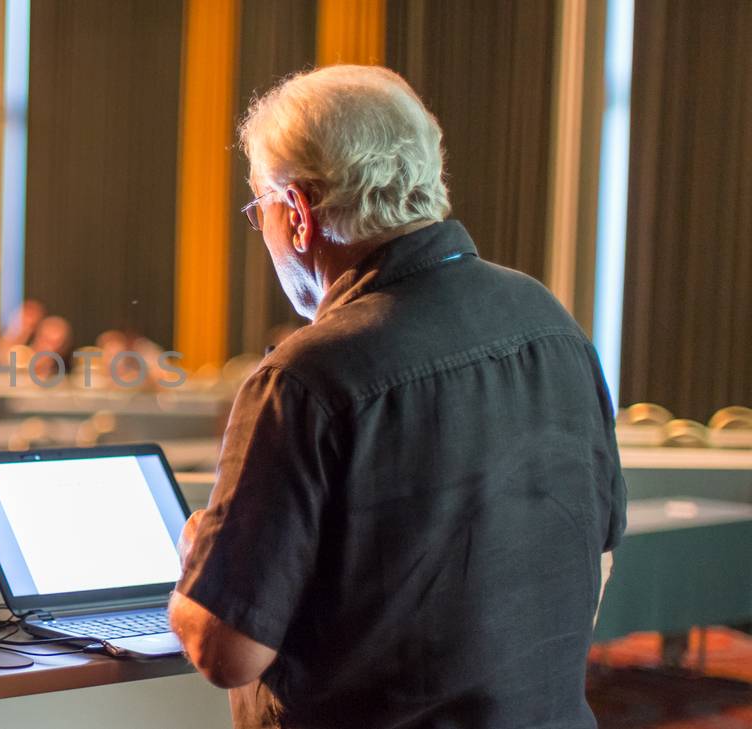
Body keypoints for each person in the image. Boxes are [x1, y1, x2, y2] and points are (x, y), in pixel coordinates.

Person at [169, 66, 624, 729]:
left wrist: (195, 556)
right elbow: (599, 558)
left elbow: (225, 649)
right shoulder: (551, 323)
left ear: (297, 214)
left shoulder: (304, 377)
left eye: (257, 210)